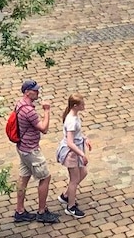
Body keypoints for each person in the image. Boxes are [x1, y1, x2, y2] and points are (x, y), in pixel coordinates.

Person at [13, 79, 59, 224]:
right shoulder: (29, 111)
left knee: (24, 177)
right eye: (35, 90)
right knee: (45, 177)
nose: (38, 92)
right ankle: (41, 211)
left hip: (22, 148)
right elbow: (44, 128)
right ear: (27, 92)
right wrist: (46, 111)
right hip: (31, 150)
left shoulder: (19, 105)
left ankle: (19, 211)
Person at [56, 95, 90, 217]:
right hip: (71, 154)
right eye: (82, 104)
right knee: (74, 180)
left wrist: (84, 138)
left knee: (83, 172)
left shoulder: (74, 117)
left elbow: (76, 135)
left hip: (76, 151)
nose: (84, 105)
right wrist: (82, 155)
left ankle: (66, 195)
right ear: (75, 105)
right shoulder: (71, 121)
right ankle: (71, 207)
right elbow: (70, 143)